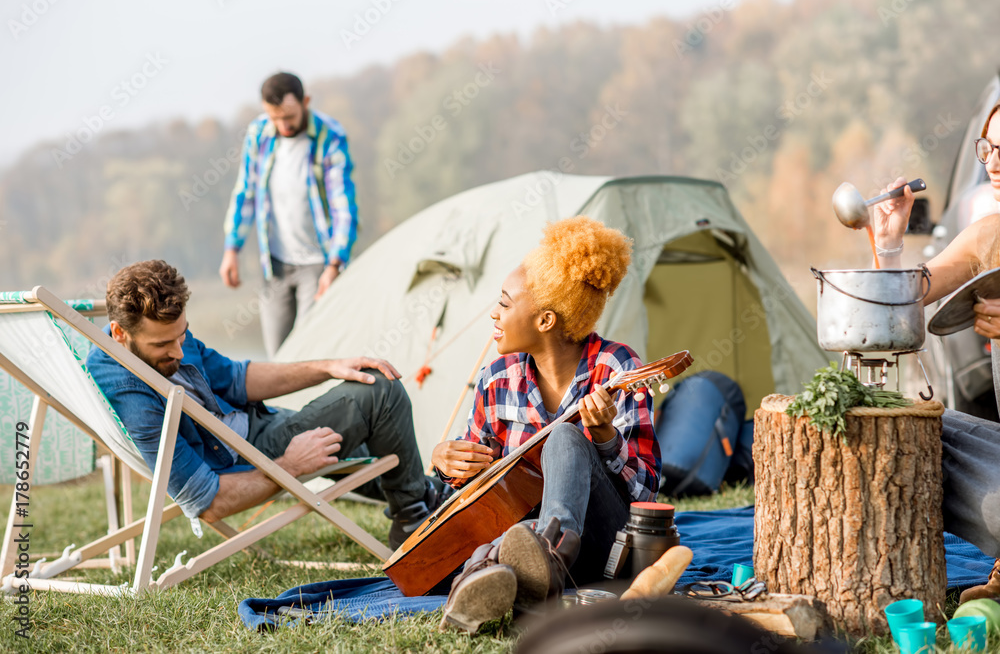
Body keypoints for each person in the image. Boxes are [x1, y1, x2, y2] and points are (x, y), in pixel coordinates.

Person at [87, 260, 438, 549]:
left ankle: (431, 499)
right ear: (120, 333)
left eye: (182, 336)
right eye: (164, 344)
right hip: (250, 456)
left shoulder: (158, 330)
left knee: (377, 441)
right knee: (380, 391)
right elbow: (208, 503)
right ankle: (414, 521)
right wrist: (291, 466)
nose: (178, 351)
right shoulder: (127, 390)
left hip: (258, 427)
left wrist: (327, 367)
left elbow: (238, 378)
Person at [430, 216, 661, 633]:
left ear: (545, 321)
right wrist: (447, 464)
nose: (494, 314)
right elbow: (479, 492)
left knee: (565, 436)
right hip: (520, 534)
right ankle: (504, 579)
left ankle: (525, 564)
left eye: (504, 302)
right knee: (519, 532)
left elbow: (645, 495)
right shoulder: (495, 380)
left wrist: (605, 438)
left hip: (603, 547)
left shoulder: (616, 367)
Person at [873, 99, 1000, 603]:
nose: (992, 161)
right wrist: (889, 242)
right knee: (914, 433)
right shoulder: (990, 235)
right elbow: (903, 296)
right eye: (988, 147)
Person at [219, 71, 359, 358]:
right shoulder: (259, 134)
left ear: (306, 101)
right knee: (278, 358)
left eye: (289, 116)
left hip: (318, 264)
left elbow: (343, 207)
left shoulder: (330, 136)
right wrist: (232, 248)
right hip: (275, 265)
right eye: (274, 117)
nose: (283, 125)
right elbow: (245, 191)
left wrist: (335, 264)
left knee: (309, 352)